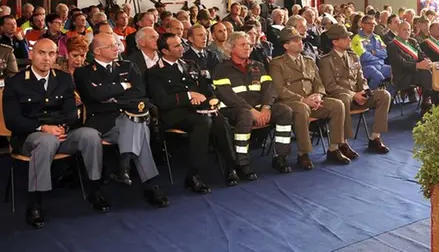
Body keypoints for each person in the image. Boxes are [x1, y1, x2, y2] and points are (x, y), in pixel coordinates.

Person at [2, 39, 109, 228]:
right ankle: (35, 202)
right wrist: (43, 128)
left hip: (61, 132)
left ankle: (95, 190)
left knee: (91, 135)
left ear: (56, 57)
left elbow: (70, 113)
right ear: (31, 55)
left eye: (51, 54)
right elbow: (13, 121)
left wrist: (60, 127)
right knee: (46, 141)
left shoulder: (63, 78)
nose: (46, 58)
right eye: (41, 53)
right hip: (29, 137)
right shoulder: (16, 82)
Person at [73, 33, 169, 207]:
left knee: (135, 124)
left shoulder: (128, 66)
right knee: (139, 127)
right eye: (111, 46)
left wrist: (111, 96)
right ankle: (146, 182)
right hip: (102, 122)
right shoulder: (83, 72)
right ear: (97, 51)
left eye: (116, 44)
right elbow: (94, 95)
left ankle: (124, 168)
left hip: (128, 117)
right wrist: (124, 86)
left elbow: (139, 93)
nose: (116, 48)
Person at [147, 33, 239, 191]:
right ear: (165, 51)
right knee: (203, 122)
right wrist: (188, 96)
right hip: (175, 114)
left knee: (219, 119)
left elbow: (206, 88)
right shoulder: (154, 73)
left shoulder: (191, 65)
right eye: (176, 46)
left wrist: (212, 100)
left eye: (180, 44)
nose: (181, 47)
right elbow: (163, 101)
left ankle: (231, 167)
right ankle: (194, 174)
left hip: (200, 110)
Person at [212, 31, 294, 177]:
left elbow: (270, 88)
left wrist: (266, 107)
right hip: (233, 110)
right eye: (243, 45)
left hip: (259, 108)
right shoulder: (221, 69)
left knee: (284, 110)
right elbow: (227, 96)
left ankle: (280, 157)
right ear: (231, 48)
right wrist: (250, 110)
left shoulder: (257, 65)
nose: (247, 48)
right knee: (245, 115)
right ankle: (242, 163)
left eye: (249, 45)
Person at [270, 27, 352, 169]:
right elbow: (279, 89)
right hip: (291, 103)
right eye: (295, 40)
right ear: (286, 46)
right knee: (302, 109)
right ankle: (303, 153)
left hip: (312, 101)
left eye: (300, 39)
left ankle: (334, 148)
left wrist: (318, 96)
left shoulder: (309, 61)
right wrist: (303, 99)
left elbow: (319, 83)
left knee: (337, 105)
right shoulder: (277, 63)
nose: (300, 42)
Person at [319, 24, 391, 154]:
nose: (349, 40)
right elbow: (330, 86)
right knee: (344, 98)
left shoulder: (353, 56)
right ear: (335, 42)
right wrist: (353, 95)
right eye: (345, 38)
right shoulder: (325, 61)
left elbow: (361, 79)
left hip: (357, 95)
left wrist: (365, 91)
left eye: (348, 37)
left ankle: (375, 137)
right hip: (341, 96)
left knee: (384, 94)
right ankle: (342, 142)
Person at [351, 15, 391, 89]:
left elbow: (385, 53)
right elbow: (364, 56)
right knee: (378, 76)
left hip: (380, 65)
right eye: (369, 23)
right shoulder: (357, 39)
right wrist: (378, 56)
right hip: (366, 66)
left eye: (374, 24)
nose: (372, 25)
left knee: (396, 73)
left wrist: (375, 52)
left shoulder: (377, 37)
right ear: (362, 25)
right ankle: (369, 96)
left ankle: (389, 97)